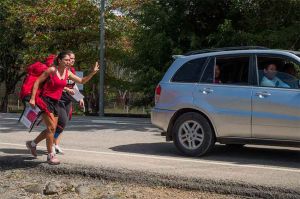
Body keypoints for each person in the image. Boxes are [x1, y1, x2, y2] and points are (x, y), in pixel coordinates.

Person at [26, 51, 99, 165]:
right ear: (59, 60)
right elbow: (37, 82)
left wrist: (92, 73)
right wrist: (32, 98)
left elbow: (81, 81)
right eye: (66, 60)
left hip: (55, 102)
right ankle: (50, 155)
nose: (68, 62)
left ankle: (32, 144)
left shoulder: (67, 72)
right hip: (45, 101)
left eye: (69, 60)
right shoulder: (52, 70)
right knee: (51, 128)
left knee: (53, 129)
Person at [53, 51, 84, 154]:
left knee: (63, 124)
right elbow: (57, 84)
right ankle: (47, 144)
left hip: (68, 100)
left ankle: (56, 144)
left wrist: (80, 98)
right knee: (60, 123)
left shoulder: (71, 71)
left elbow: (74, 86)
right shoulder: (60, 70)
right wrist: (65, 89)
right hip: (58, 99)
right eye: (70, 59)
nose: (72, 61)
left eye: (74, 59)